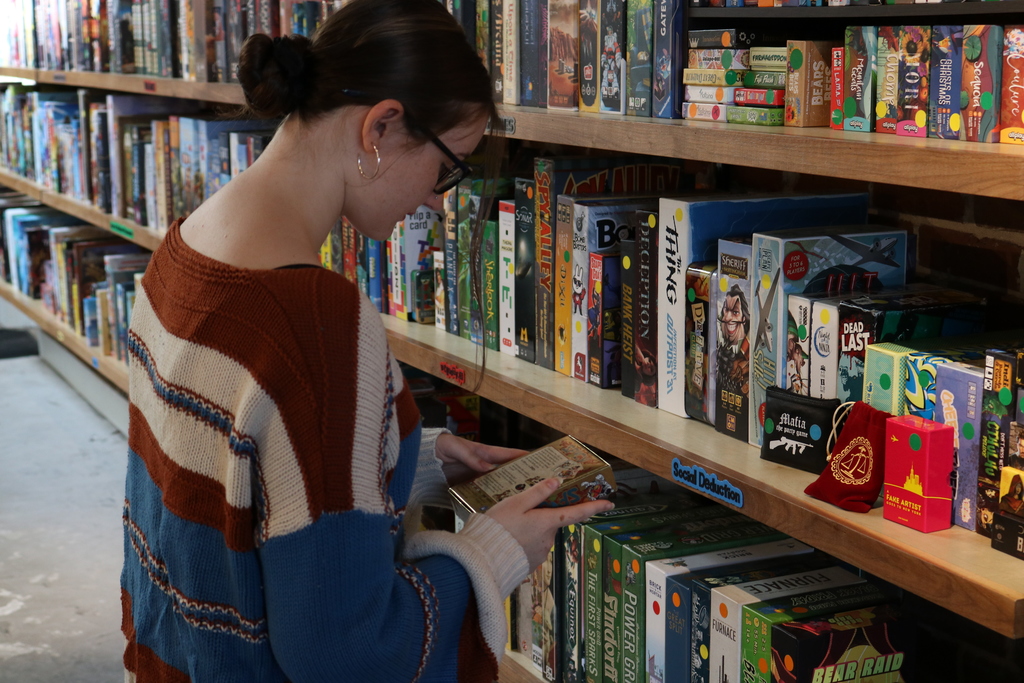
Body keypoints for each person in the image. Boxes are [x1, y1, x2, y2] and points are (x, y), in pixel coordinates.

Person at [119, 1, 613, 681]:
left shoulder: (182, 250)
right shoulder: (318, 323)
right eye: (449, 167)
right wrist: (494, 554)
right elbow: (346, 651)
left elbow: (231, 478)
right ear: (381, 126)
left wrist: (403, 457)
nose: (441, 202)